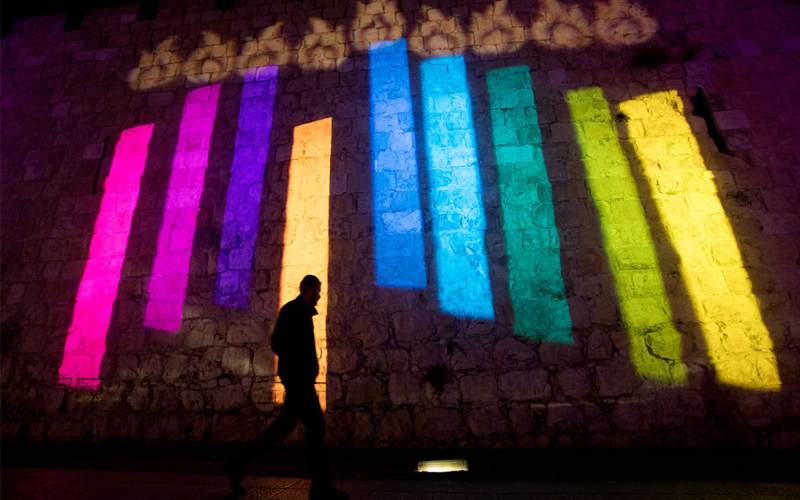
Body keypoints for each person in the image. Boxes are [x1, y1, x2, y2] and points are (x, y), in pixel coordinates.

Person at [225, 275, 348, 499]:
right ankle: (320, 486)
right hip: (298, 381)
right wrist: (300, 366)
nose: (320, 296)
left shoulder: (299, 312)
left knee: (282, 429)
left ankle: (237, 466)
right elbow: (278, 343)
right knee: (315, 428)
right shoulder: (293, 310)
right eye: (318, 291)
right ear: (309, 289)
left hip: (299, 380)